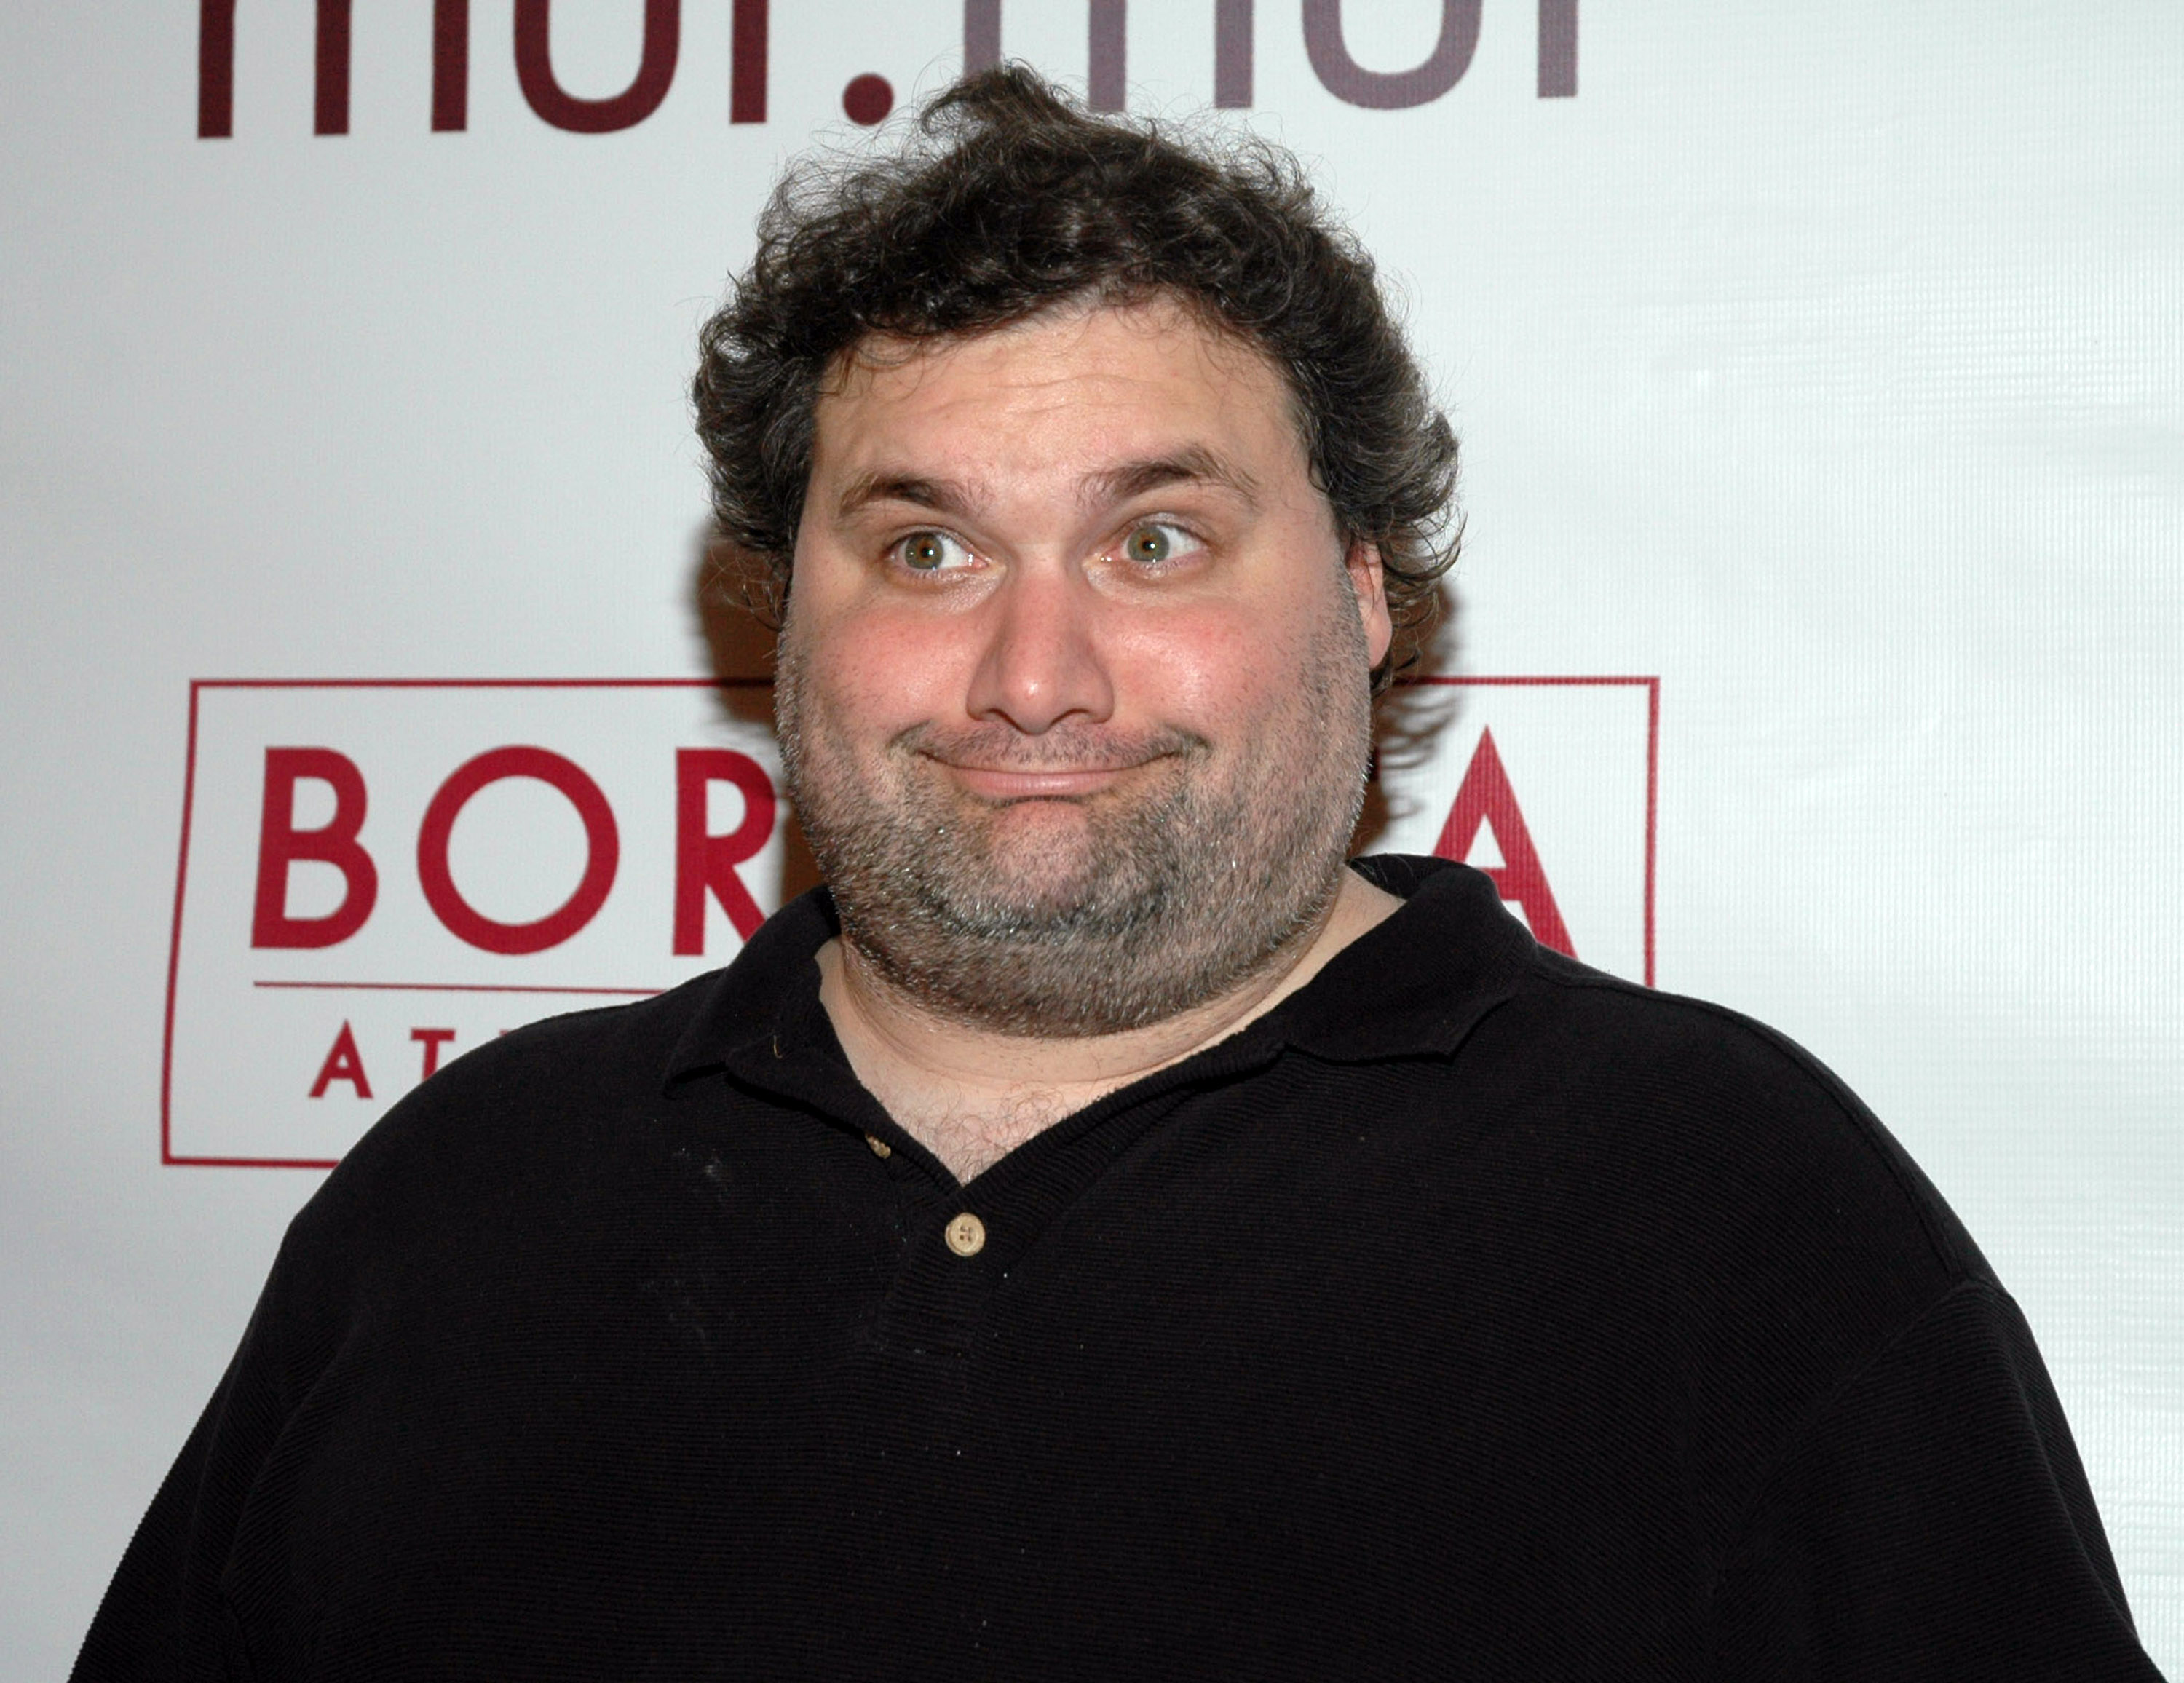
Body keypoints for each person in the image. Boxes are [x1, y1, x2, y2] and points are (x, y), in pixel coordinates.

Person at [76, 67, 2163, 1681]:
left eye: (1156, 540)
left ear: (1360, 595)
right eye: (927, 547)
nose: (1033, 674)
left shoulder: (1731, 1205)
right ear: (777, 615)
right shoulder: (461, 1212)